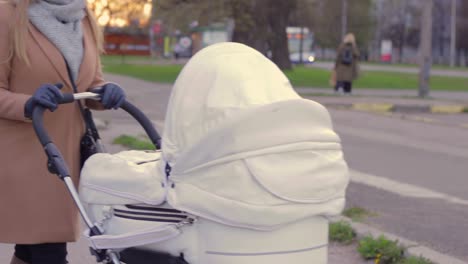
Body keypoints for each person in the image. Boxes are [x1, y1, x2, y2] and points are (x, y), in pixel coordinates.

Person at [0, 1, 126, 263]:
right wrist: (28, 102)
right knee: (49, 252)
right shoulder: (8, 14)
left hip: (65, 158)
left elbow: (89, 82)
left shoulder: (83, 16)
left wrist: (104, 92)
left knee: (31, 250)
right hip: (23, 160)